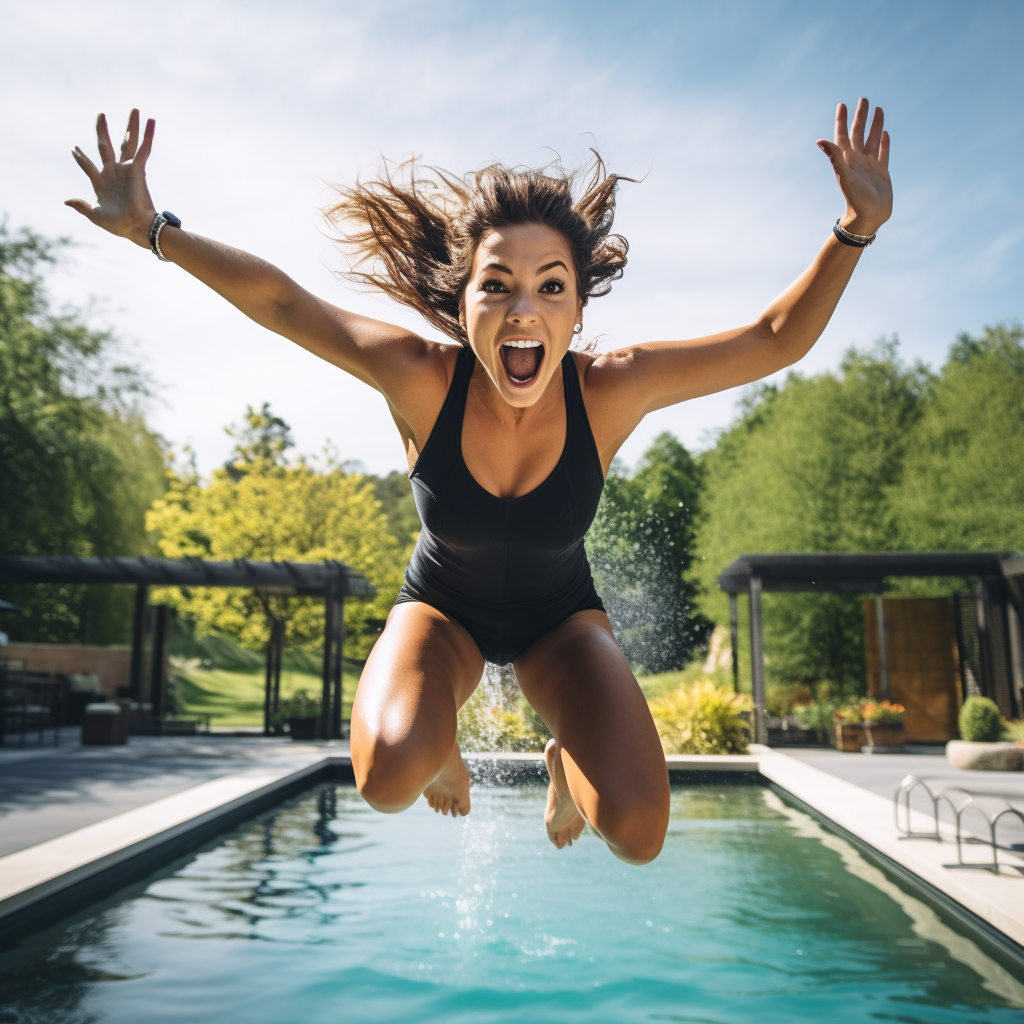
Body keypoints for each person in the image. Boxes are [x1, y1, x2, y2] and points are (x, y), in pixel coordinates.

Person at [67, 100, 891, 864]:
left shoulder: (611, 390)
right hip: (441, 615)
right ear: (461, 304)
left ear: (577, 313)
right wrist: (153, 230)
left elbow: (774, 338)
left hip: (560, 625)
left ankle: (562, 751)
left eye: (550, 288)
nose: (523, 310)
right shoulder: (421, 377)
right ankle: (439, 743)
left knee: (639, 834)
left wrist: (855, 228)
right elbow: (284, 304)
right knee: (389, 775)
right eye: (496, 286)